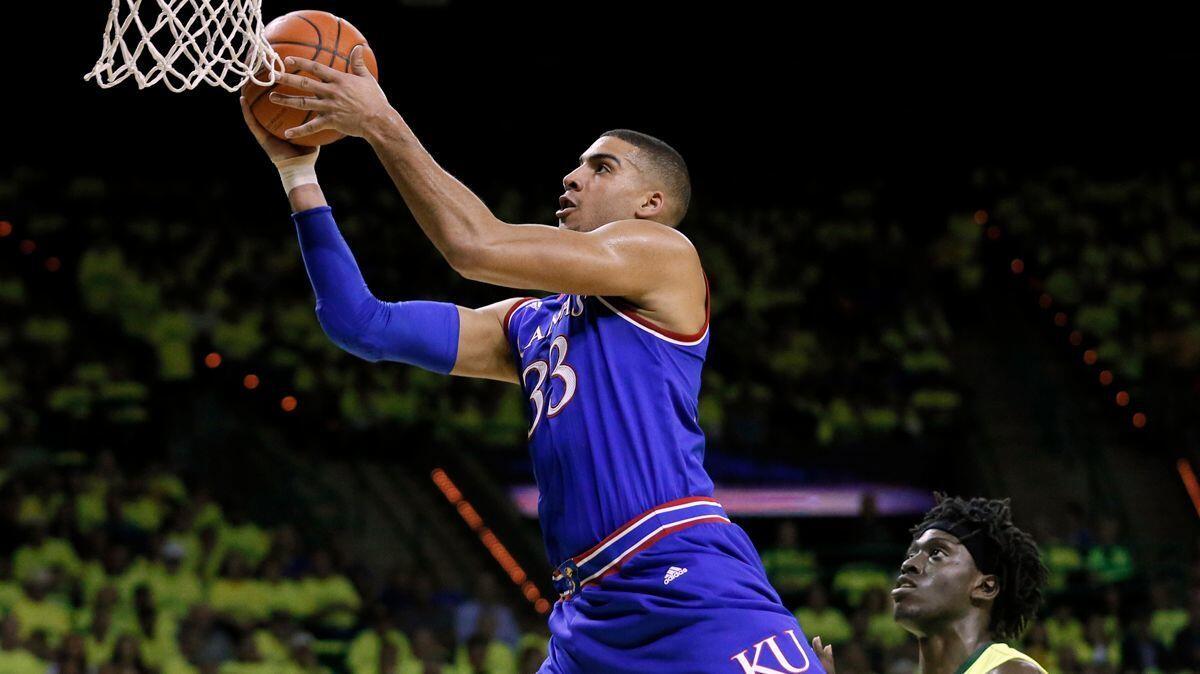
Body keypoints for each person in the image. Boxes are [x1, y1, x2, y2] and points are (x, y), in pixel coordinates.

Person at [239, 45, 824, 674]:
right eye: (577, 166)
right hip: (586, 611)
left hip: (682, 574)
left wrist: (381, 121)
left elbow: (475, 246)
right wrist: (297, 173)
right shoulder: (528, 323)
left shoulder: (664, 254)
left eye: (601, 168)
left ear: (650, 204)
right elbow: (360, 323)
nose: (572, 178)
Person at [812, 495, 1048, 674]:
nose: (909, 564)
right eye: (910, 554)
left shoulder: (1011, 670)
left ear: (985, 587)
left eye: (936, 553)